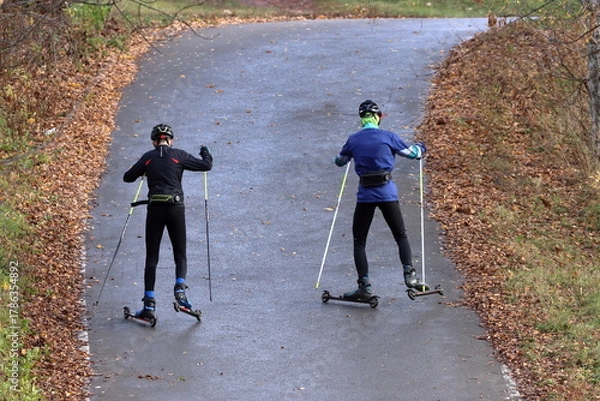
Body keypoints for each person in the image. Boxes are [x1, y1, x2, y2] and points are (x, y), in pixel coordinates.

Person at [334, 100, 428, 300]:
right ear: (377, 117)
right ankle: (410, 277)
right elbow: (413, 154)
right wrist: (422, 147)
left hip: (365, 196)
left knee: (359, 241)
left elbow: (339, 162)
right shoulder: (389, 137)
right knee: (400, 235)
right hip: (387, 194)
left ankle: (364, 286)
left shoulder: (353, 140)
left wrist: (349, 155)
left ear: (362, 119)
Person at [123, 123, 213, 320]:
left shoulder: (148, 157)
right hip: (175, 208)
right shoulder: (179, 155)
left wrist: (144, 170)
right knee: (180, 254)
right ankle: (180, 291)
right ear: (170, 141)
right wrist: (205, 152)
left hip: (155, 209)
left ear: (154, 141)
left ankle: (149, 305)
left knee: (152, 257)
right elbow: (206, 165)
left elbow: (127, 178)